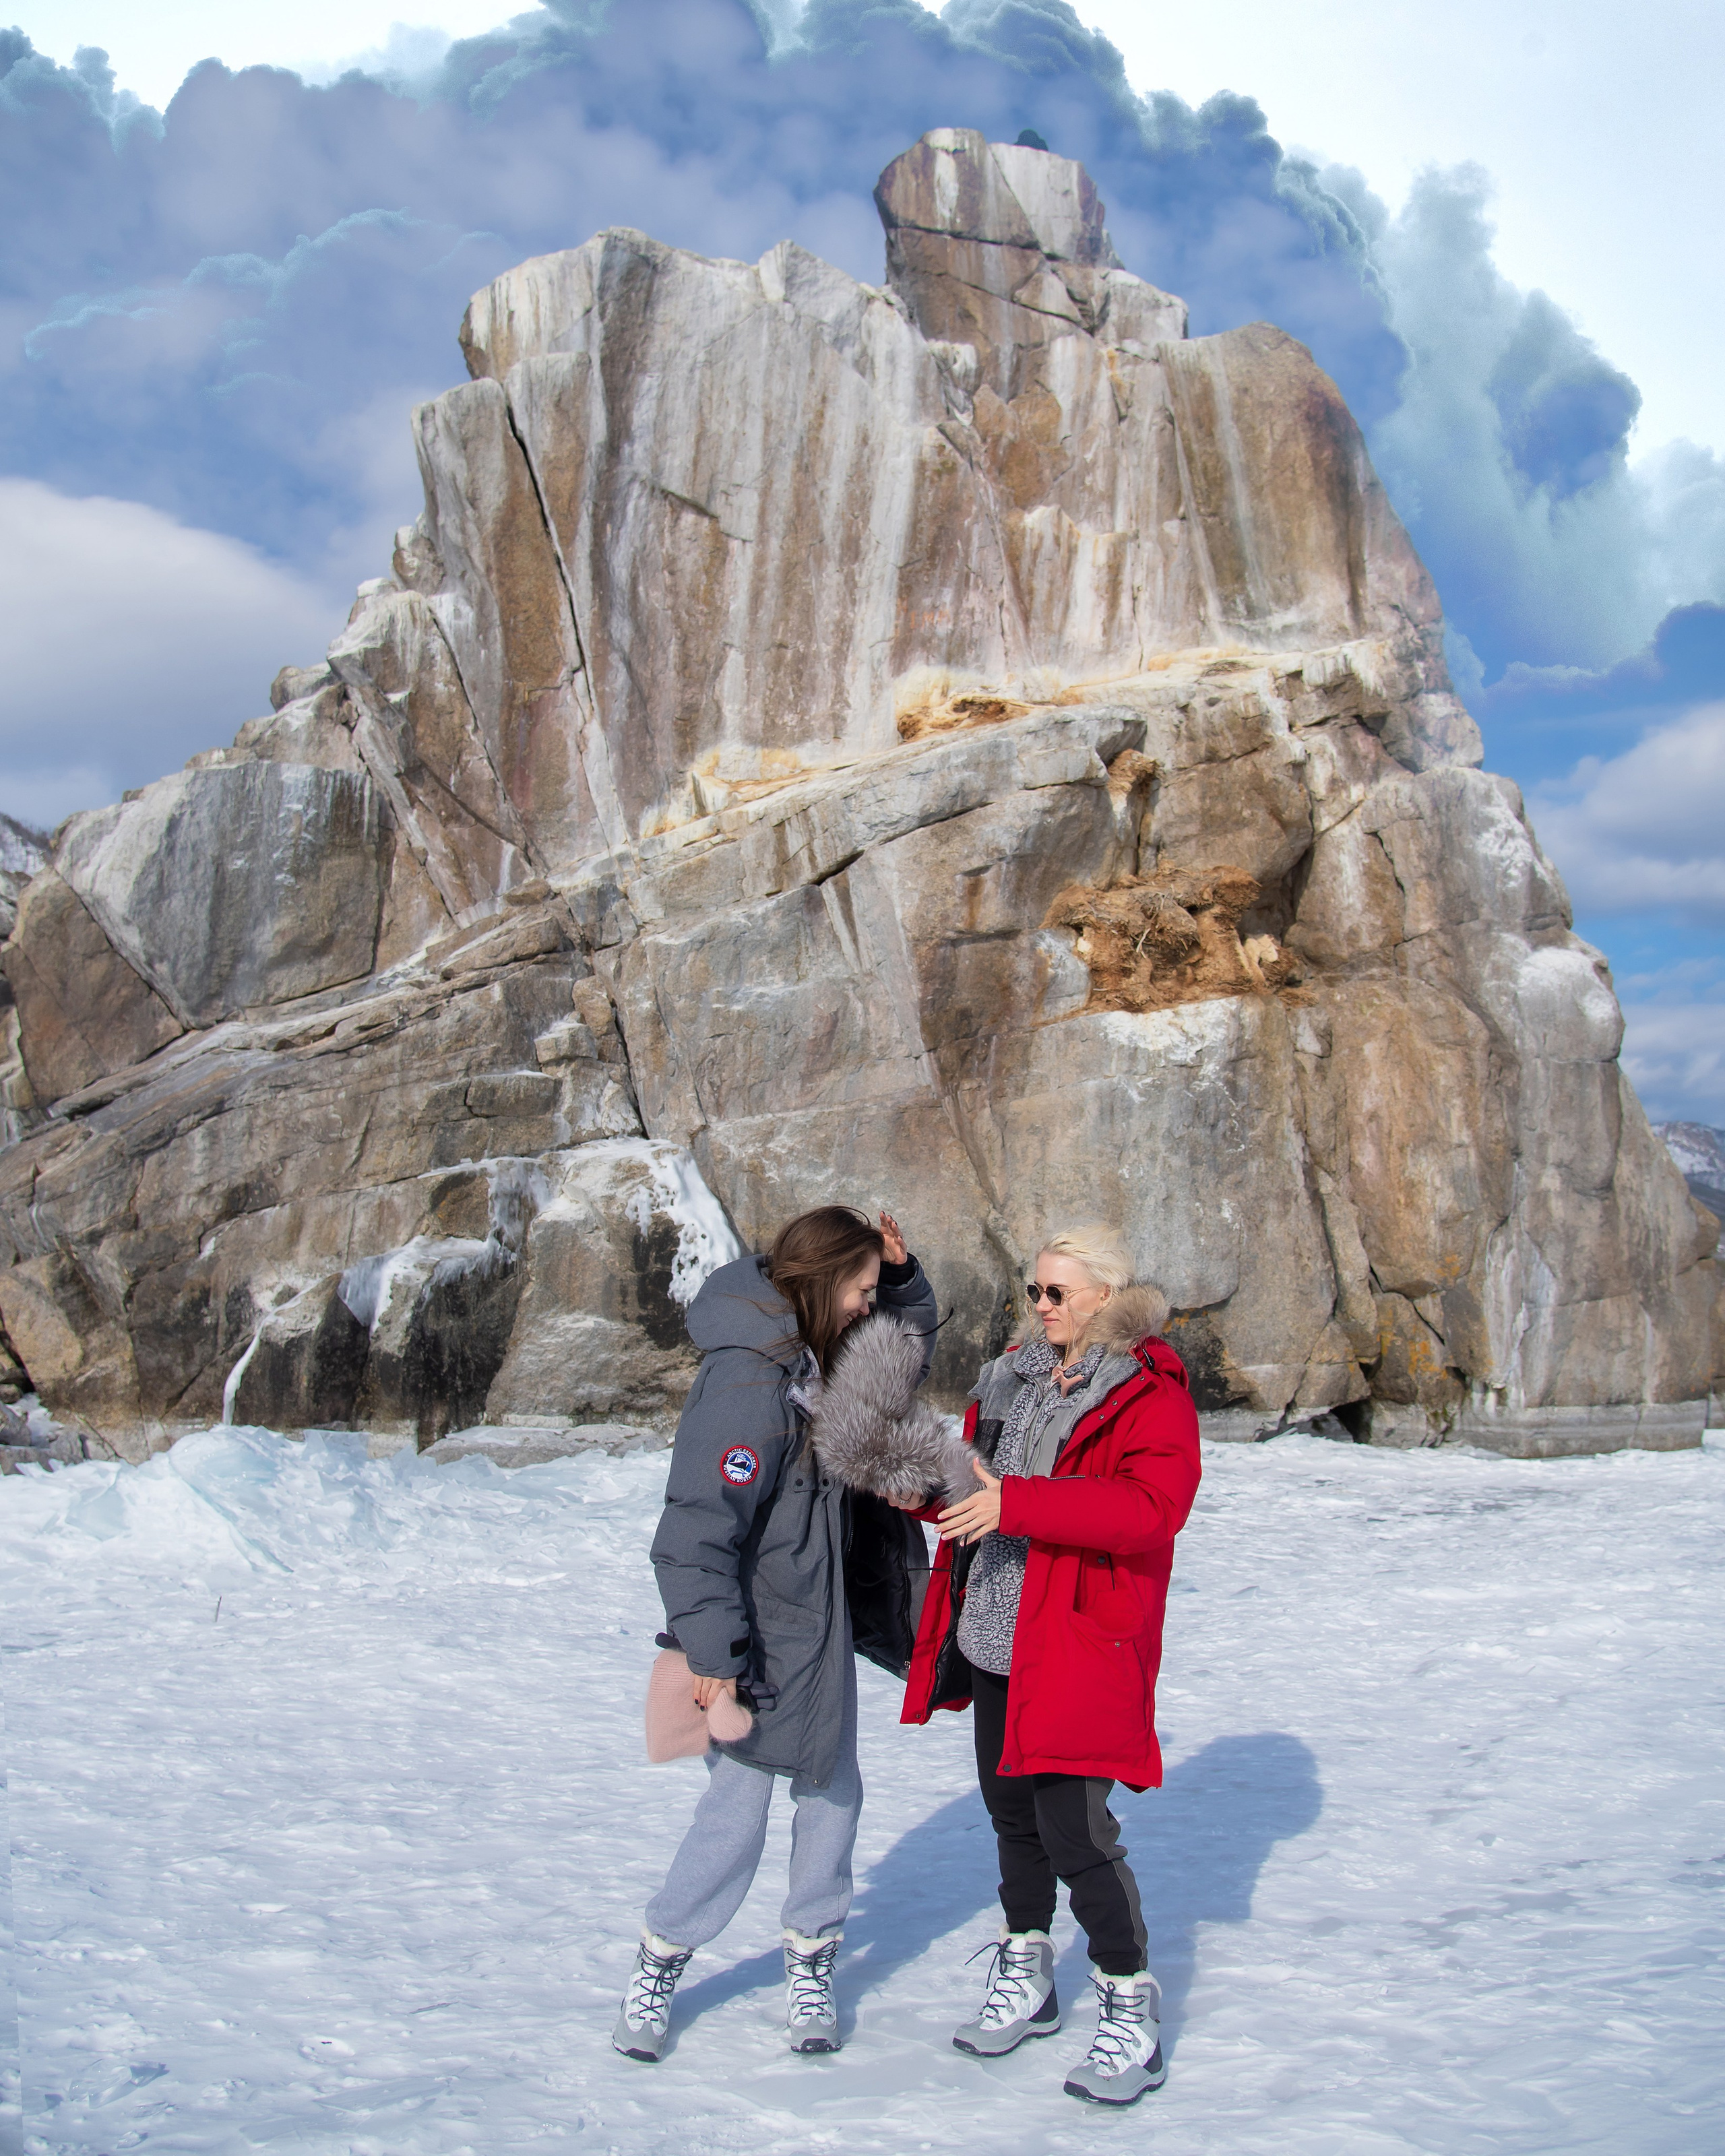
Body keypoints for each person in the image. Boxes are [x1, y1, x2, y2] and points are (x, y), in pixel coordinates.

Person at [612, 1205, 937, 2064]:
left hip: (822, 1626)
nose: (869, 1306)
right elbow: (693, 1531)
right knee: (736, 1810)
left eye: (875, 1293)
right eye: (862, 1290)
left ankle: (811, 1959)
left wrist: (900, 1283)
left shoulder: (821, 1349)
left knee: (832, 1797)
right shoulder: (751, 1383)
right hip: (760, 1641)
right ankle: (662, 1957)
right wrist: (714, 1657)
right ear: (825, 1283)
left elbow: (893, 1365)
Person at [899, 1225, 1201, 2107]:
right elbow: (979, 1485)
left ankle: (1126, 2004)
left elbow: (1150, 1509)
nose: (1039, 1305)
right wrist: (924, 1491)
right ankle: (1027, 1972)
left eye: (1056, 1293)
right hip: (995, 1632)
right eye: (1034, 1291)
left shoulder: (1149, 1393)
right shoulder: (1014, 1377)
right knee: (1012, 1818)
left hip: (1075, 1640)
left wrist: (1017, 1503)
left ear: (1104, 1295)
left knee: (1075, 1832)